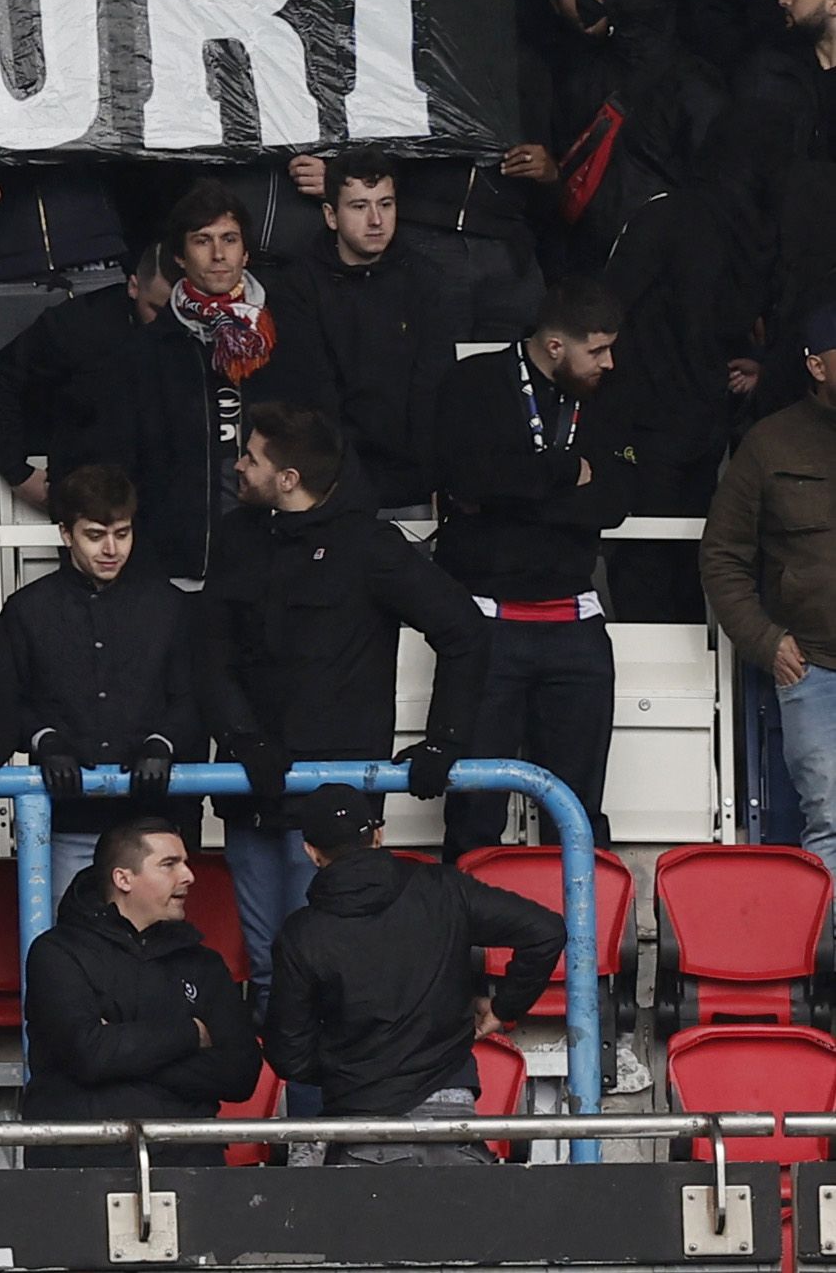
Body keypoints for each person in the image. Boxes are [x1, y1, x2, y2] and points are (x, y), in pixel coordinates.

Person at [200, 404, 489, 978]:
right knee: (267, 971)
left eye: (250, 458)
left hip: (334, 805)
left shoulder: (369, 547)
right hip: (249, 794)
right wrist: (240, 737)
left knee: (335, 970)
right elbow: (209, 652)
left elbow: (465, 631)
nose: (237, 467)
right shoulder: (236, 538)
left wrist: (444, 741)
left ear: (288, 479)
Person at [264, 787, 567, 1159]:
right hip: (451, 1114)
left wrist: (351, 1072)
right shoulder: (442, 889)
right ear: (378, 835)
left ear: (310, 852)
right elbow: (545, 931)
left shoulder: (301, 933)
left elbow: (287, 1053)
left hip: (360, 1124)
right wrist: (504, 1008)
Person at [435, 282, 632, 853]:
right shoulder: (473, 384)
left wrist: (515, 495)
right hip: (487, 627)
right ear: (552, 346)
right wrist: (566, 473)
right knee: (473, 811)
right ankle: (470, 944)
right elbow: (467, 483)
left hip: (575, 628)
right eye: (596, 350)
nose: (608, 362)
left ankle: (578, 941)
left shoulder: (606, 395)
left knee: (577, 812)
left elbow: (615, 501)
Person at [0, 464, 200, 905]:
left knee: (153, 957)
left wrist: (164, 743)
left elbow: (192, 696)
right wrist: (46, 741)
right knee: (67, 954)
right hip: (67, 821)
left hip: (150, 827)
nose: (111, 548)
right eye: (95, 534)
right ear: (66, 534)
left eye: (122, 533)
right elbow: (6, 703)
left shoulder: (169, 606)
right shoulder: (28, 610)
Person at [18, 817, 263, 1141]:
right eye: (169, 865)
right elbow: (88, 1056)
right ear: (123, 878)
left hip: (188, 1160)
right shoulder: (57, 953)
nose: (188, 876)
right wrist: (191, 1034)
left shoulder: (203, 962)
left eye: (185, 863)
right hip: (81, 1162)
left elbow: (241, 1074)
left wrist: (120, 1053)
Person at [706, 305, 836, 867]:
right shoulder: (770, 443)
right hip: (816, 669)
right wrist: (768, 642)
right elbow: (722, 556)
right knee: (831, 820)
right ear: (817, 365)